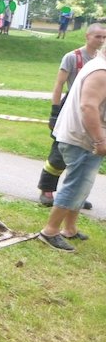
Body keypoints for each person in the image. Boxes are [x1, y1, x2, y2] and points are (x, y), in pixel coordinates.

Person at [37, 38, 106, 252]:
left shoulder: (97, 65)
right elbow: (88, 106)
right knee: (76, 184)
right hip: (82, 138)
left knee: (82, 184)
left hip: (79, 136)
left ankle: (70, 228)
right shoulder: (101, 72)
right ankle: (49, 231)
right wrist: (100, 139)